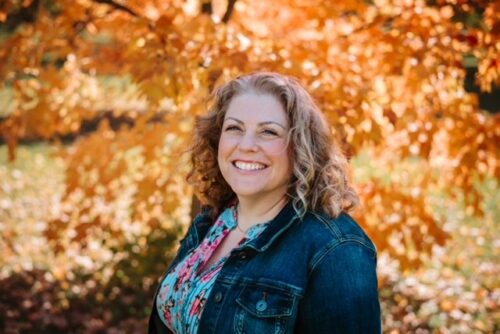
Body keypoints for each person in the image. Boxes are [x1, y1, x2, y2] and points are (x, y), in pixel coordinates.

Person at [148, 72, 381, 333]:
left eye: (268, 132)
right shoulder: (213, 222)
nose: (247, 145)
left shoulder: (335, 248)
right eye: (234, 128)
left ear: (301, 146)